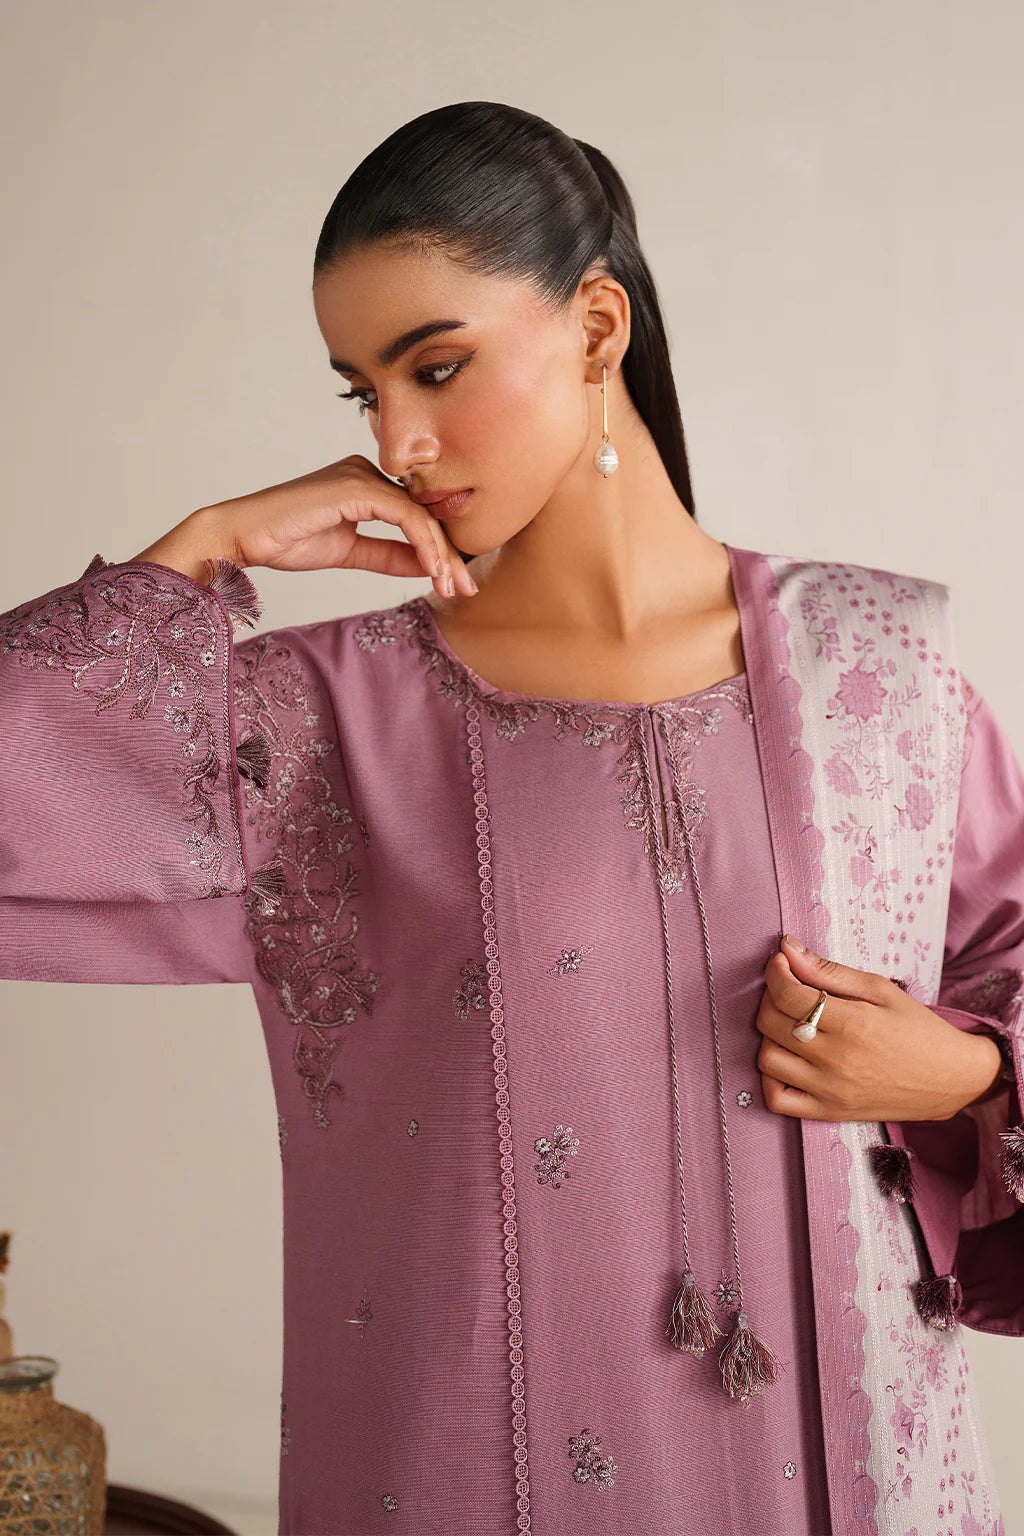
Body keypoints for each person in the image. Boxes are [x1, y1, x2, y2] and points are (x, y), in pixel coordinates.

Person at [2, 100, 1021, 1536]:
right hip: (465, 1474)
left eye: (437, 366)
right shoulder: (322, 724)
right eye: (363, 394)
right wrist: (203, 550)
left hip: (850, 1478)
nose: (400, 441)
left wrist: (970, 1074)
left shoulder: (878, 670)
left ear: (597, 328)